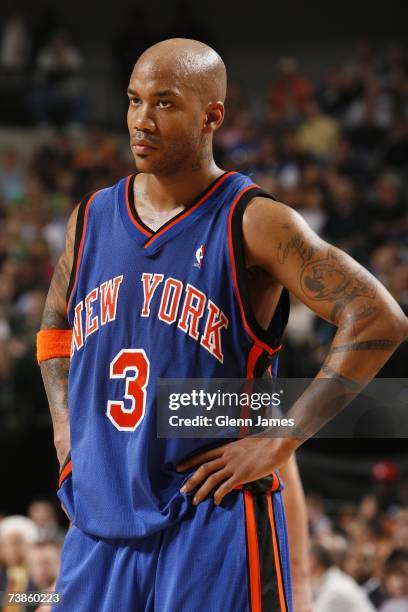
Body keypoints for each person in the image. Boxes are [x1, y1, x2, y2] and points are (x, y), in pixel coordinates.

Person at [37, 38, 408, 612]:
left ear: (212, 115)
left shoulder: (254, 221)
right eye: (134, 101)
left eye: (164, 103)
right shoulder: (91, 217)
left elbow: (377, 315)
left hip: (208, 517)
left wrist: (282, 439)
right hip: (101, 517)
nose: (141, 119)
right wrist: (65, 427)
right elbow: (55, 329)